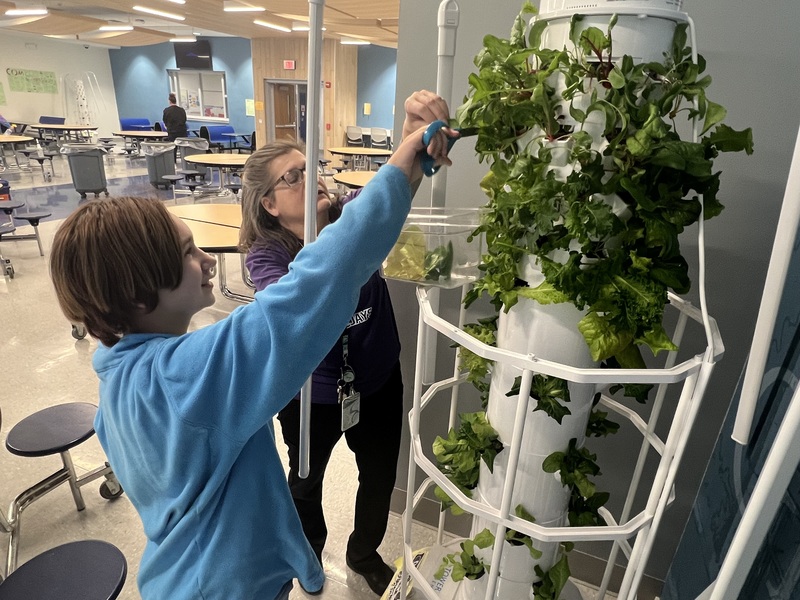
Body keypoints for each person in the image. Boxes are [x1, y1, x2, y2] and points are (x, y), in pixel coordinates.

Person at [48, 93, 457, 600]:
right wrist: (406, 152)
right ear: (136, 293)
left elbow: (350, 241)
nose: (209, 261)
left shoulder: (119, 388)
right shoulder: (189, 376)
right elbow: (316, 282)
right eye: (187, 253)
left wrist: (410, 158)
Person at [238, 91, 448, 596]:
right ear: (268, 204)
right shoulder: (265, 259)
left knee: (378, 477)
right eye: (293, 177)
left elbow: (390, 191)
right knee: (306, 482)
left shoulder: (350, 215)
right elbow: (298, 302)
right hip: (309, 395)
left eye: (310, 167)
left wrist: (416, 137)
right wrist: (337, 241)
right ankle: (308, 550)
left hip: (376, 381)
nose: (311, 178)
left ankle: (363, 553)